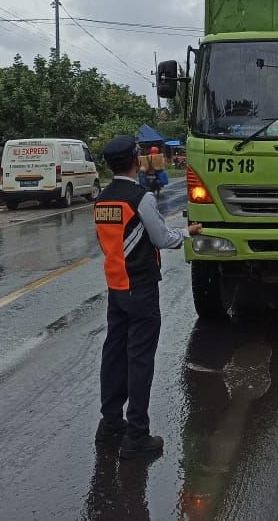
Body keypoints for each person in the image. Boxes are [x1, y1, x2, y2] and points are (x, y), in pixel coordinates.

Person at [94, 135, 202, 458]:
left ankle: (110, 423)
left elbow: (105, 244)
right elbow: (162, 238)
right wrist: (188, 232)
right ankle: (136, 434)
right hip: (140, 289)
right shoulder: (139, 199)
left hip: (116, 288)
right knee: (140, 359)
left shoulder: (102, 200)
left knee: (114, 354)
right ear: (136, 161)